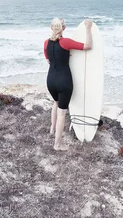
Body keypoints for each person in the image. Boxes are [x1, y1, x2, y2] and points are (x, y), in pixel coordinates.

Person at [43, 17, 93, 150]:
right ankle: (57, 145)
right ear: (63, 28)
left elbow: (49, 60)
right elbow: (88, 46)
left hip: (50, 81)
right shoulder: (66, 42)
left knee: (55, 103)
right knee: (62, 113)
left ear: (51, 27)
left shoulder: (46, 43)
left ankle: (52, 129)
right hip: (64, 82)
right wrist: (88, 28)